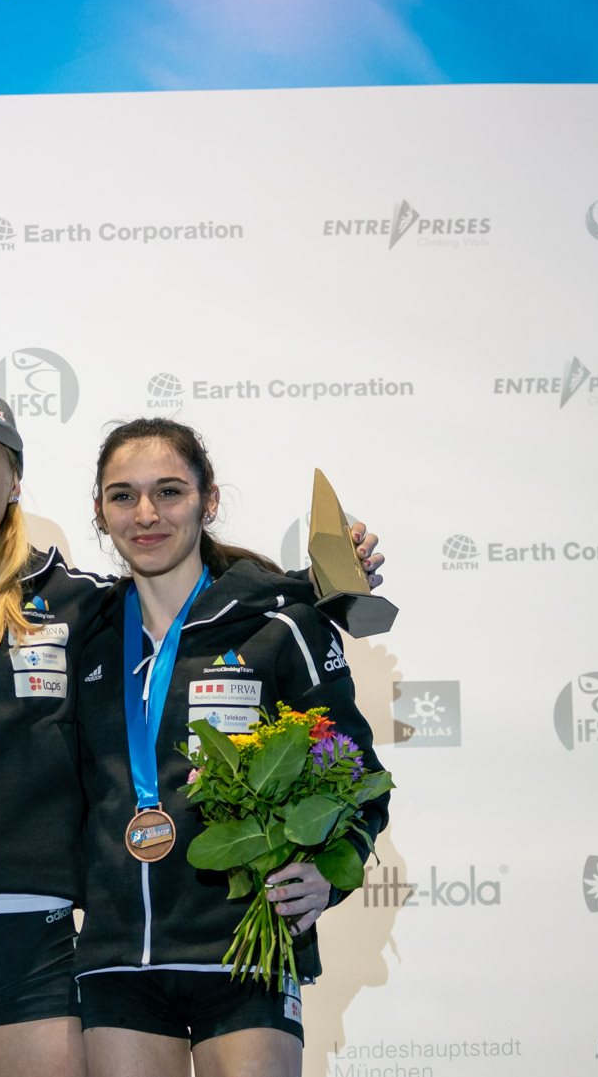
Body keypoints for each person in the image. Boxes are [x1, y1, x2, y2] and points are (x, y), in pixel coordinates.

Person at [0, 388, 384, 1077]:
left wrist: (324, 579)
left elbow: (220, 605)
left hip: (84, 938)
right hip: (24, 945)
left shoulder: (70, 601)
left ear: (15, 480)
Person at [73, 418, 390, 1077]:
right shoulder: (82, 635)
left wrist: (326, 876)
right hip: (117, 957)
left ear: (208, 500)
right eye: (123, 495)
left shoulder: (278, 624)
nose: (147, 513)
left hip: (246, 950)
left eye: (170, 491)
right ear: (101, 513)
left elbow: (361, 779)